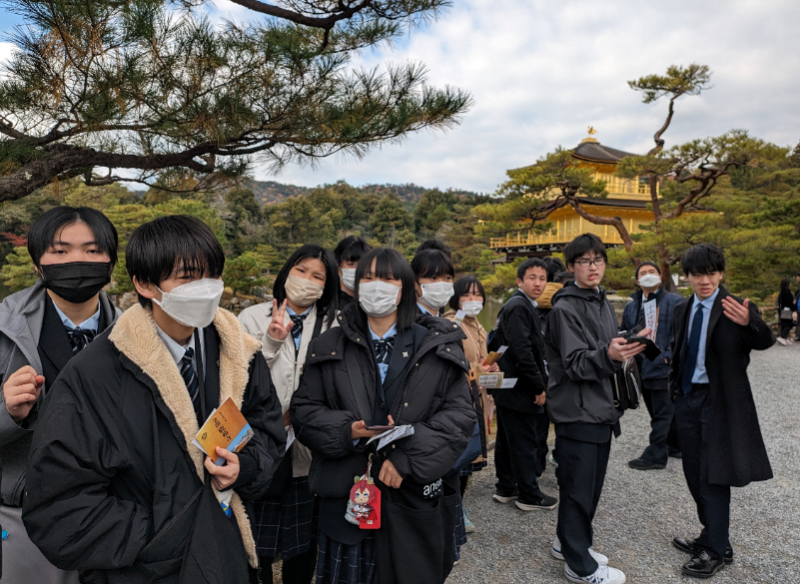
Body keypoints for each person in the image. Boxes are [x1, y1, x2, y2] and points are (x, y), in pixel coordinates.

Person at [22, 215, 286, 584]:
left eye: (212, 275)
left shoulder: (239, 354)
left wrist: (246, 469)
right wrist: (164, 535)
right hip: (141, 572)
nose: (206, 289)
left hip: (227, 558)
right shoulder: (94, 374)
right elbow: (58, 506)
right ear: (144, 284)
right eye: (188, 277)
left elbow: (268, 433)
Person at [290, 247, 475, 584]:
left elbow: (459, 416)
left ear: (405, 287)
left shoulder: (435, 344)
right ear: (357, 286)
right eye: (369, 277)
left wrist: (407, 459)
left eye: (388, 278)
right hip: (348, 496)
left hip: (411, 495)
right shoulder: (329, 344)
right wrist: (348, 431)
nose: (378, 286)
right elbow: (304, 411)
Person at [0, 207, 121, 584]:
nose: (77, 261)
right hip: (22, 516)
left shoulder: (135, 336)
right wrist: (6, 411)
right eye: (61, 250)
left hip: (112, 516)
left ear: (110, 261)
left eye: (91, 250)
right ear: (38, 263)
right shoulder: (4, 329)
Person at [544, 233, 649, 584]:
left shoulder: (601, 300)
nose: (594, 267)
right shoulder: (565, 307)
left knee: (588, 485)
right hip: (577, 410)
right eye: (586, 261)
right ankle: (579, 565)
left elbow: (606, 345)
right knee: (578, 487)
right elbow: (574, 363)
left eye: (599, 260)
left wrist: (632, 338)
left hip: (601, 407)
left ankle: (568, 542)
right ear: (572, 266)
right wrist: (609, 355)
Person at [669, 243, 774, 579]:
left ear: (721, 273)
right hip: (688, 398)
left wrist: (751, 322)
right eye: (698, 273)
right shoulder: (682, 310)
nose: (705, 280)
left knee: (713, 476)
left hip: (720, 403)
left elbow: (765, 341)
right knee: (692, 472)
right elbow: (681, 351)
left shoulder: (737, 307)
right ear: (687, 276)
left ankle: (715, 550)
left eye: (712, 272)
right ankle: (714, 536)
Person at [238, 244, 339, 584]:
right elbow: (239, 379)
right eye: (301, 270)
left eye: (317, 276)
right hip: (263, 442)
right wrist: (271, 342)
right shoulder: (250, 317)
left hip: (309, 448)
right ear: (286, 272)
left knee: (303, 538)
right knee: (259, 536)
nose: (306, 280)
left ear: (327, 286)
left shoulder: (333, 325)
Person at [490, 258, 558, 512]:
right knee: (526, 440)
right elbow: (523, 351)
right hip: (520, 388)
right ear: (520, 281)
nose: (538, 283)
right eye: (532, 278)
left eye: (542, 278)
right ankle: (529, 494)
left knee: (508, 439)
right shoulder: (520, 307)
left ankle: (506, 487)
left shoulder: (516, 305)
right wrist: (538, 386)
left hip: (510, 387)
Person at [443, 275, 500, 533]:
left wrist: (491, 367)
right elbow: (452, 364)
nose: (474, 300)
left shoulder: (477, 324)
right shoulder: (450, 323)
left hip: (478, 398)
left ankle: (458, 505)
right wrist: (479, 368)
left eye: (478, 295)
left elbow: (479, 361)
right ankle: (453, 508)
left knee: (472, 455)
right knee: (458, 454)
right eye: (467, 295)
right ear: (456, 297)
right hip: (459, 400)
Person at [621, 261, 683, 470]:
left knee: (662, 413)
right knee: (659, 410)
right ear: (637, 280)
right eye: (643, 273)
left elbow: (682, 335)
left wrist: (668, 356)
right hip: (640, 366)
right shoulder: (631, 306)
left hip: (664, 367)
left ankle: (656, 455)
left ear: (660, 276)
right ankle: (674, 445)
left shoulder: (675, 301)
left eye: (652, 272)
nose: (648, 275)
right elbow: (624, 331)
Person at [411, 249, 454, 317]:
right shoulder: (405, 322)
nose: (441, 284)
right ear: (414, 282)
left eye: (447, 278)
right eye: (433, 278)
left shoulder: (446, 323)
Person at [334, 236, 371, 310]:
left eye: (362, 264)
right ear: (338, 266)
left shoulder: (371, 302)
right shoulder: (330, 304)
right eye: (351, 264)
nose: (357, 270)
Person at [776, 278, 794, 345]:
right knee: (790, 323)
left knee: (784, 323)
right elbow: (790, 302)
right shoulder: (787, 292)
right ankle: (783, 337)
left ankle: (785, 338)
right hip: (788, 310)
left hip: (782, 310)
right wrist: (794, 307)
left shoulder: (781, 292)